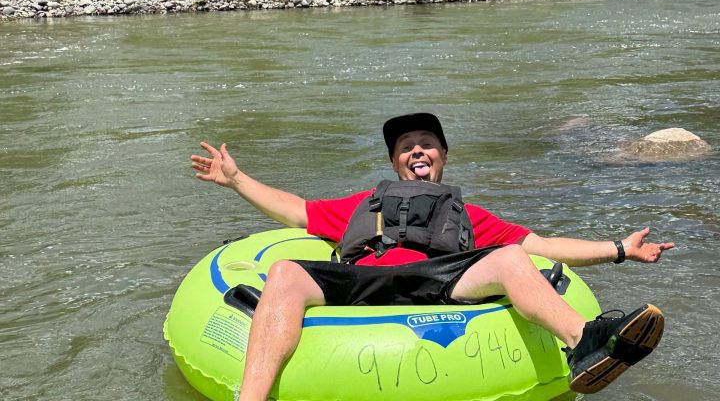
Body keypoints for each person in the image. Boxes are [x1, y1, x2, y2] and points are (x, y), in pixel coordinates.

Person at [191, 113, 674, 400]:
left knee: (507, 258)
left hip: (440, 280)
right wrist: (237, 180)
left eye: (427, 145)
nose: (417, 151)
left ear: (442, 158)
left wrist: (618, 250)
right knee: (284, 271)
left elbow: (543, 247)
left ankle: (584, 345)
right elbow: (296, 211)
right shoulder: (362, 204)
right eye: (406, 147)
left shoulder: (469, 214)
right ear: (394, 162)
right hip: (362, 281)